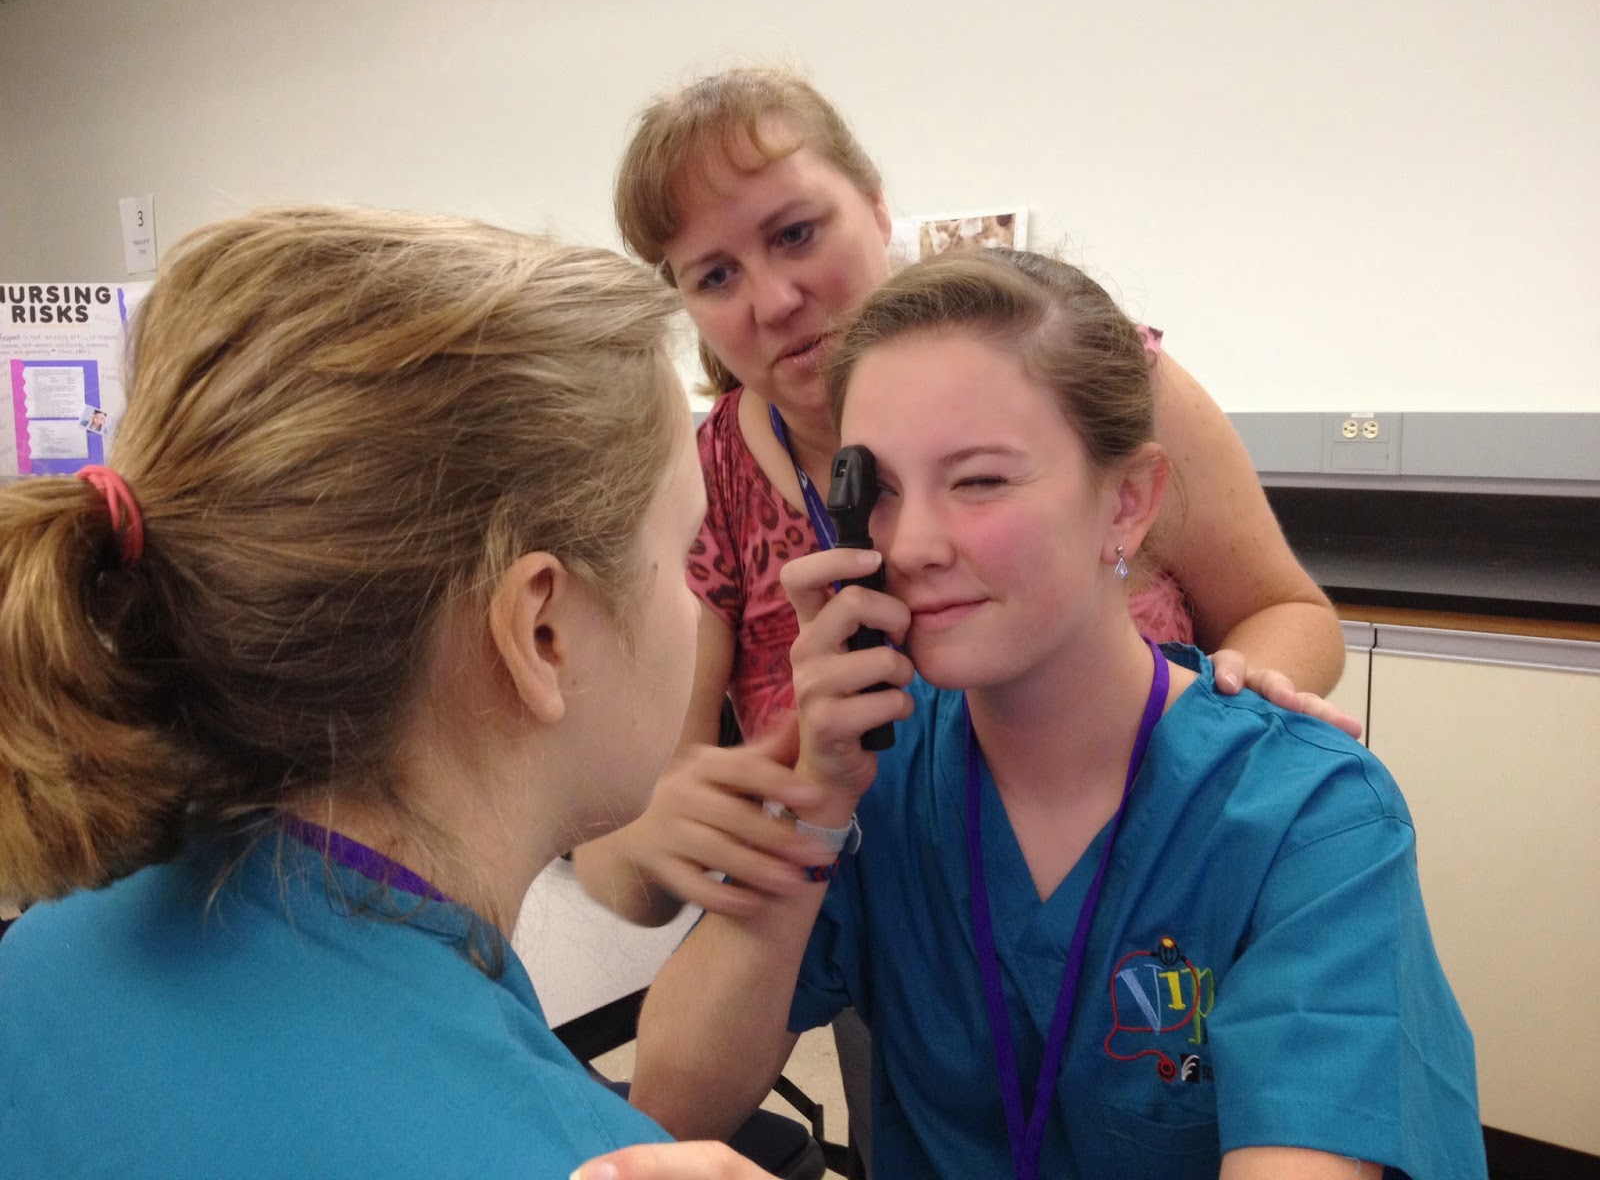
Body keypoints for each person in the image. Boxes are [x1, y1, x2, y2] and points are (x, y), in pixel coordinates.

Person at [627, 250, 1487, 1179]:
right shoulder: (881, 780)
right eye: (882, 490)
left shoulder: (1310, 822)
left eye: (979, 481)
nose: (910, 545)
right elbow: (669, 1106)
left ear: (1127, 502)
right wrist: (813, 805)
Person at [0, 205, 778, 1179]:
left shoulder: (43, 955)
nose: (701, 605)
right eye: (687, 552)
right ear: (541, 632)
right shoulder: (566, 1158)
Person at [574, 65, 1356, 931]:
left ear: (877, 207)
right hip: (885, 955)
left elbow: (1286, 610)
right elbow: (623, 842)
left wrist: (1228, 717)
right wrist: (656, 838)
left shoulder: (1087, 374)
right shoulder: (703, 487)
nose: (774, 300)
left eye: (796, 234)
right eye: (715, 276)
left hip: (1159, 900)